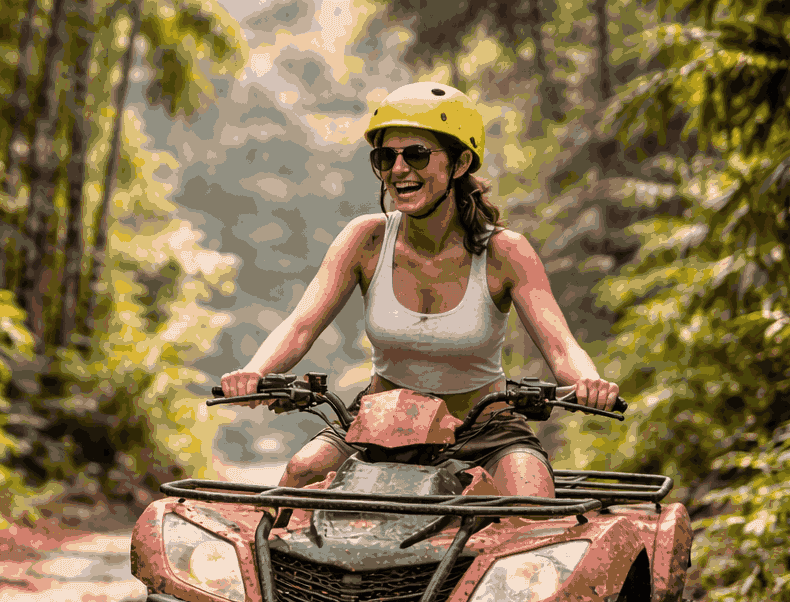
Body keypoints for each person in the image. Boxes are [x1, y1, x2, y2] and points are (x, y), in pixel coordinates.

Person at [217, 82, 619, 497]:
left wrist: (589, 382)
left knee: (532, 494)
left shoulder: (504, 251)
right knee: (303, 470)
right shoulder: (366, 239)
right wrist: (255, 371)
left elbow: (560, 347)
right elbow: (301, 325)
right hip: (377, 423)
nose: (398, 169)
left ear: (460, 163)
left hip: (484, 429)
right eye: (385, 157)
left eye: (417, 154)